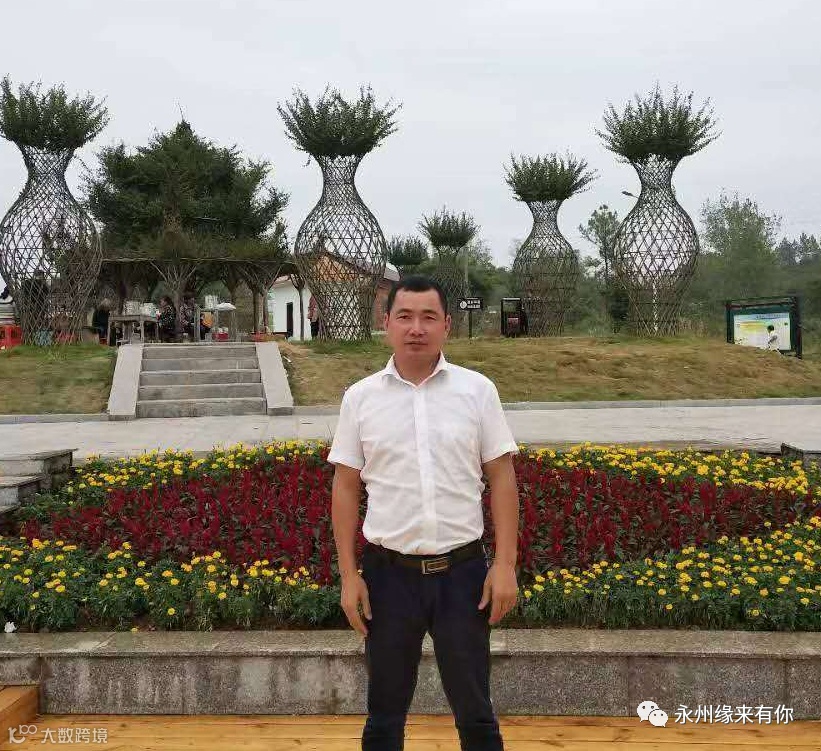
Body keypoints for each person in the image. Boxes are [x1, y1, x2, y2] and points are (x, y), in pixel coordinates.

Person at [329, 274, 520, 751]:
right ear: (387, 323)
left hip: (463, 577)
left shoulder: (477, 391)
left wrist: (505, 565)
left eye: (429, 317)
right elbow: (346, 487)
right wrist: (349, 576)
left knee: (476, 715)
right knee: (383, 717)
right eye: (405, 317)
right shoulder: (360, 398)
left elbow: (502, 478)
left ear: (447, 325)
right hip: (387, 578)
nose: (417, 328)